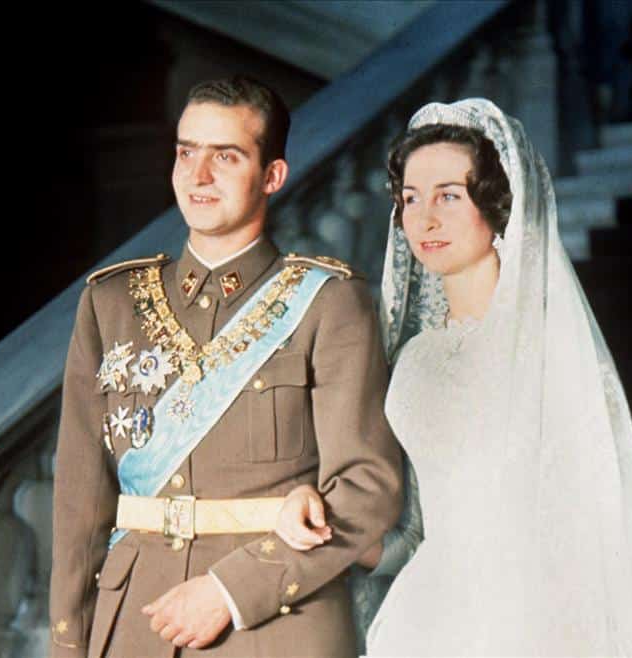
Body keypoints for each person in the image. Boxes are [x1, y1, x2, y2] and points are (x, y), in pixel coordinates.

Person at [275, 98, 632, 657]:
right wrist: (326, 527)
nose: (424, 219)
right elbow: (411, 536)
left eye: (449, 195)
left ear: (497, 207)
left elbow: (595, 537)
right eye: (410, 198)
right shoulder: (413, 359)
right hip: (423, 621)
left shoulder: (549, 348)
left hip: (534, 625)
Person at [48, 75, 402, 658]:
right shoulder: (110, 303)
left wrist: (230, 592)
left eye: (226, 156)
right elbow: (79, 502)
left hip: (273, 628)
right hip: (134, 623)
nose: (198, 175)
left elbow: (367, 491)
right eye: (186, 153)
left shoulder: (327, 302)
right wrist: (67, 644)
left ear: (272, 176)